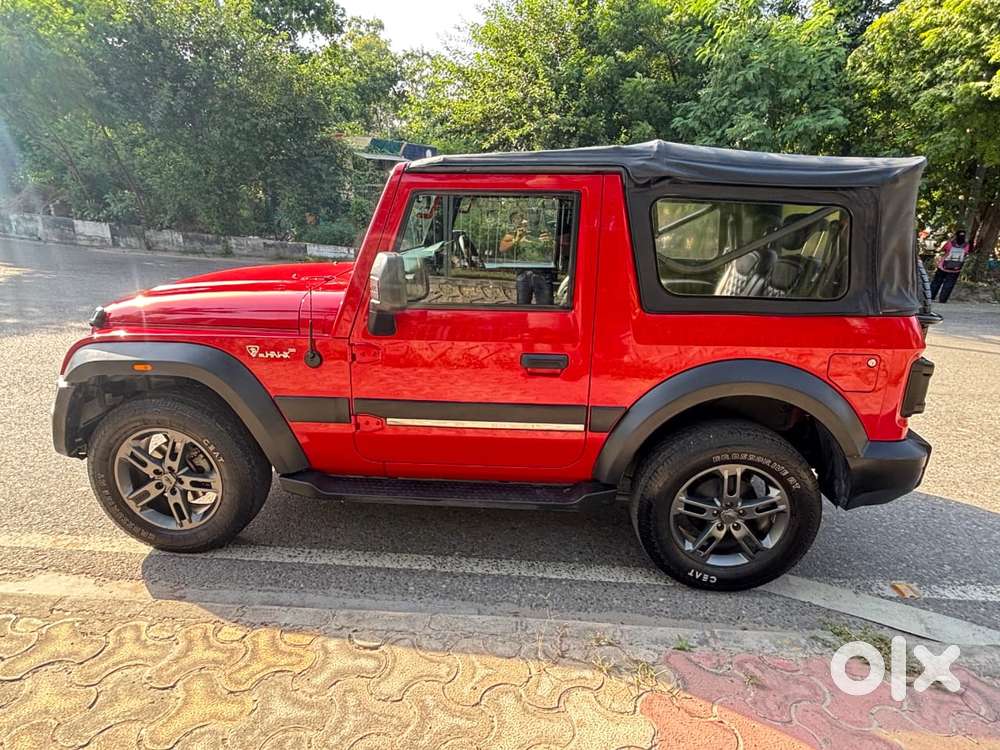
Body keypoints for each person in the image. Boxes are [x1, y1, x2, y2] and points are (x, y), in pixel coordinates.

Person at [930, 229, 971, 303]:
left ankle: (930, 297)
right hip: (956, 268)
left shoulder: (950, 243)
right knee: (949, 284)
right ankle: (943, 299)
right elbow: (966, 253)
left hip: (943, 266)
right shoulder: (966, 246)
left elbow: (943, 250)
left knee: (936, 282)